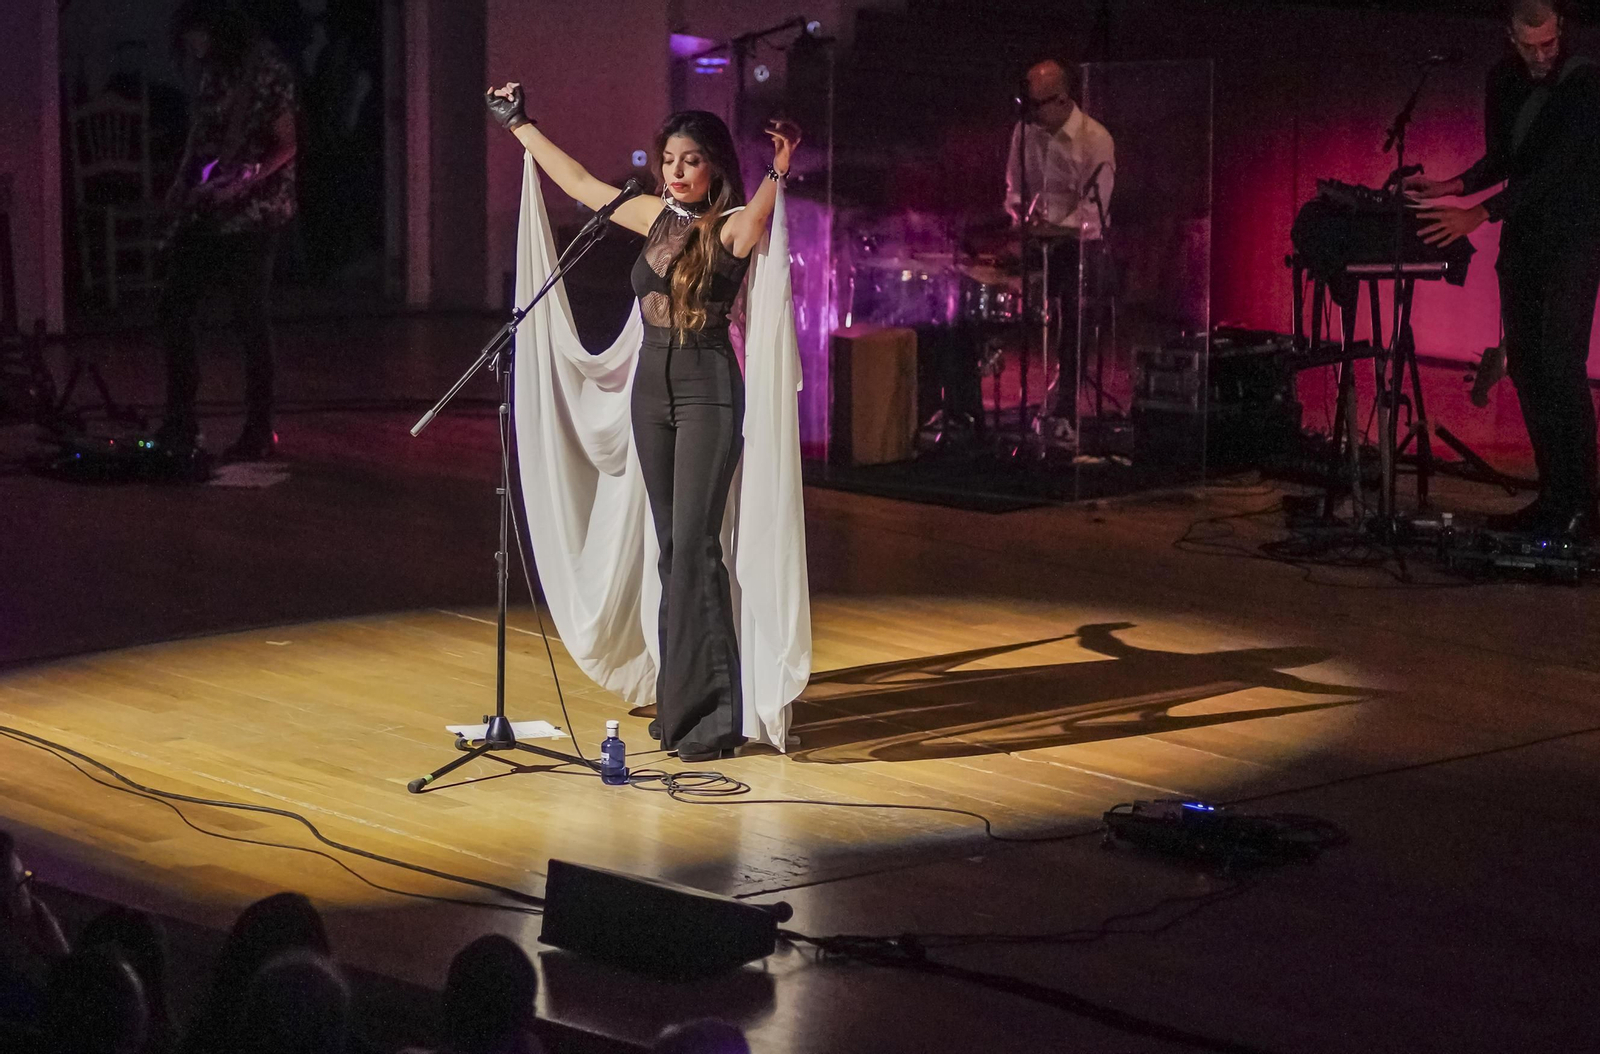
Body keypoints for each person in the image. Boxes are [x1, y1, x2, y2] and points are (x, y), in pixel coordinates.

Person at [485, 85, 799, 762]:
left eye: (690, 161)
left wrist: (778, 167)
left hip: (708, 387)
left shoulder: (736, 221)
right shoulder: (657, 218)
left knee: (695, 547)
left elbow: (764, 217)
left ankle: (714, 718)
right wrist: (519, 125)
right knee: (668, 548)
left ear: (715, 165)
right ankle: (681, 702)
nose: (676, 172)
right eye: (668, 160)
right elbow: (577, 181)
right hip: (650, 393)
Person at [1408, 0, 1600, 538]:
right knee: (1529, 368)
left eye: (1548, 45)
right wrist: (1454, 186)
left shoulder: (1585, 85)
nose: (1540, 56)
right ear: (1510, 37)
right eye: (1529, 46)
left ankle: (1583, 503)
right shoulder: (1502, 79)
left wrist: (1480, 214)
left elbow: (1556, 172)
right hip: (1524, 242)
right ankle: (1553, 496)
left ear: (1561, 29)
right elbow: (1504, 160)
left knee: (1561, 365)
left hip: (1574, 240)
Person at [157, 0, 299, 463]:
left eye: (198, 36)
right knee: (174, 306)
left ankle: (259, 429)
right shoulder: (211, 73)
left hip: (255, 212)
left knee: (249, 318)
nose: (193, 47)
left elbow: (286, 145)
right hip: (208, 208)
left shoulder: (267, 71)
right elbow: (202, 136)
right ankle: (180, 420)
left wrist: (246, 180)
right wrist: (183, 183)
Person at [1003, 59, 1115, 432]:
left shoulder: (1095, 140)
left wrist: (1055, 230)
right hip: (1039, 239)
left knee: (1074, 315)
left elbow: (1093, 216)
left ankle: (1065, 407)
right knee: (982, 283)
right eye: (1027, 105)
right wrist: (1024, 218)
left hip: (1080, 247)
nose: (1030, 114)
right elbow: (1015, 191)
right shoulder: (1025, 133)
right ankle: (968, 407)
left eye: (1037, 105)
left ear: (1064, 100)